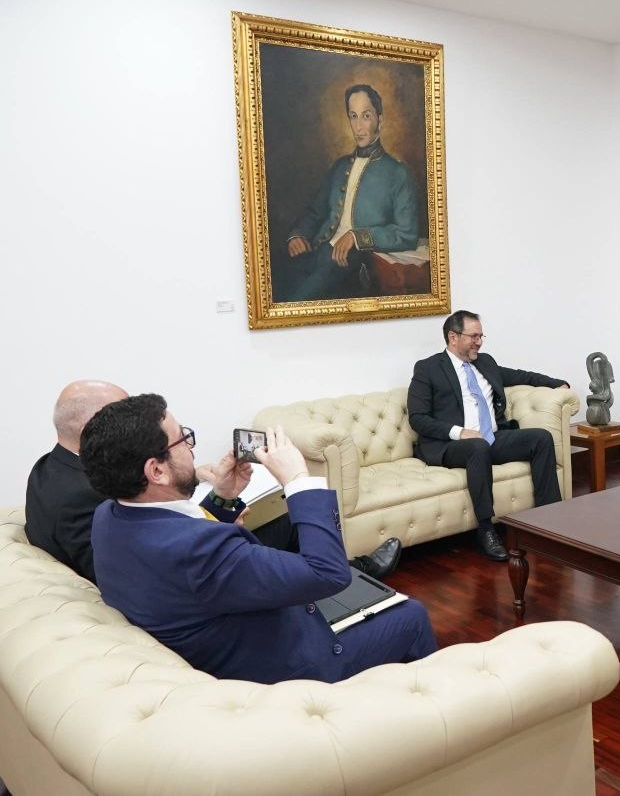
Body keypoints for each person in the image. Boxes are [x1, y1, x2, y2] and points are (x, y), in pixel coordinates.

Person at [83, 395, 436, 683]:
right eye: (182, 439)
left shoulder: (109, 517)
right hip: (286, 670)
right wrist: (298, 481)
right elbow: (328, 573)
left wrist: (222, 498)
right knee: (412, 616)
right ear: (156, 470)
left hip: (223, 636)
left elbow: (180, 545)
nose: (190, 448)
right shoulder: (199, 551)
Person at [25, 381, 401, 583]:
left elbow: (161, 532)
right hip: (191, 582)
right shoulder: (86, 498)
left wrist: (219, 499)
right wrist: (298, 480)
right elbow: (143, 568)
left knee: (284, 522)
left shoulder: (52, 468)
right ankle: (344, 578)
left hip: (185, 559)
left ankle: (349, 579)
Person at [408, 310, 570, 561]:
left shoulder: (484, 363)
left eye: (481, 336)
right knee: (477, 447)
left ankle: (548, 521)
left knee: (540, 438)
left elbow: (520, 375)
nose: (479, 342)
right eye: (473, 336)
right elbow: (417, 418)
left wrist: (557, 383)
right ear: (453, 337)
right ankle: (486, 530)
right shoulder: (428, 369)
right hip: (451, 444)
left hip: (492, 438)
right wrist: (460, 432)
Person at [284, 83, 419, 302]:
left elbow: (407, 234)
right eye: (353, 116)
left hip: (352, 261)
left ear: (380, 120)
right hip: (318, 251)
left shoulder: (397, 173)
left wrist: (357, 236)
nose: (358, 126)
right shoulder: (339, 167)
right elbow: (315, 212)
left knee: (297, 300)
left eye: (366, 116)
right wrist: (297, 234)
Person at [25, 380, 128, 581]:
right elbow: (116, 575)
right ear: (90, 431)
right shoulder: (84, 496)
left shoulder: (48, 464)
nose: (136, 427)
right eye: (124, 420)